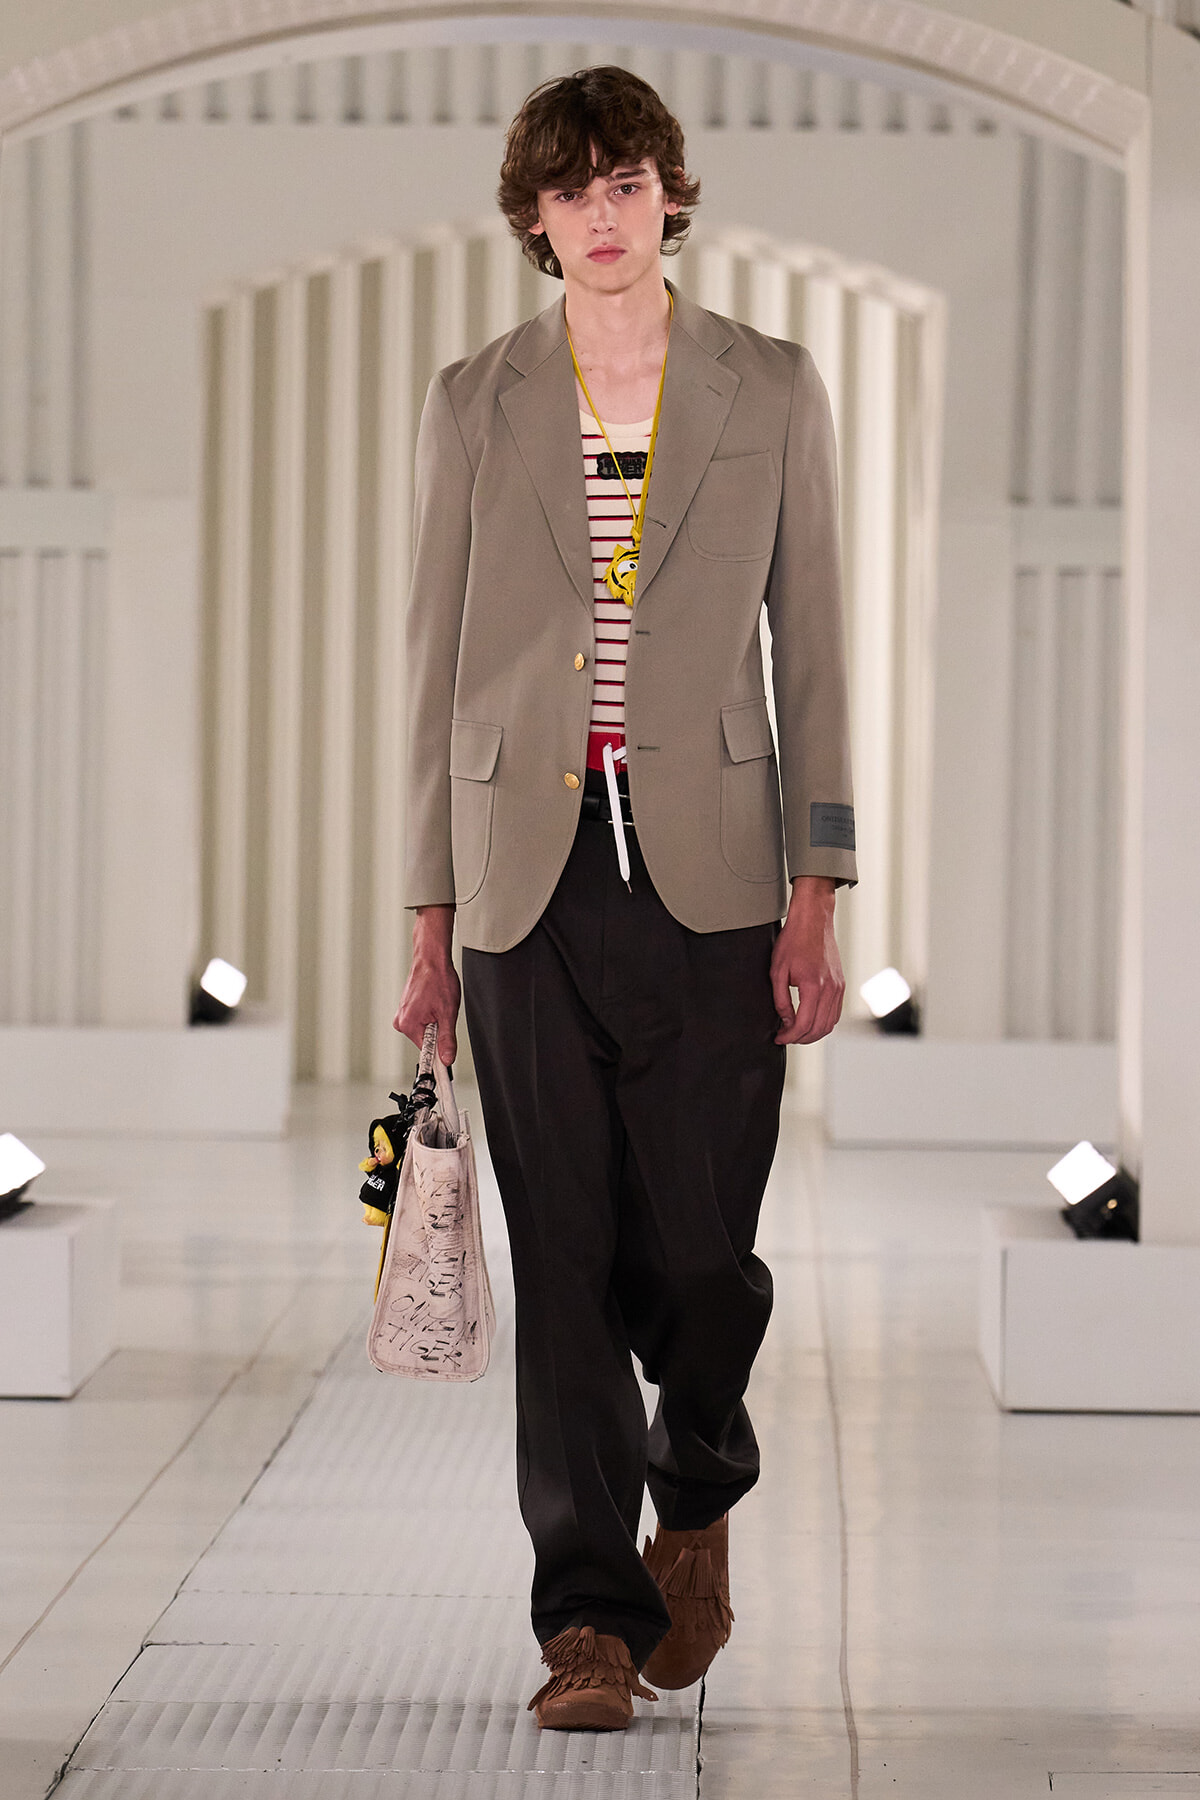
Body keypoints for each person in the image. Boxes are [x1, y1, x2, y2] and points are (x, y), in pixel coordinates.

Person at [395, 64, 856, 1733]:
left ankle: (701, 1483)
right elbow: (430, 664)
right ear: (535, 216)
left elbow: (815, 644)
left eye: (630, 180)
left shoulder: (772, 384)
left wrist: (821, 882)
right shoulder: (473, 401)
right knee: (567, 1251)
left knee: (703, 1251)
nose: (604, 211)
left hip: (720, 875)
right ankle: (587, 1618)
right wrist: (425, 915)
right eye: (572, 188)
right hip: (525, 873)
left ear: (672, 194)